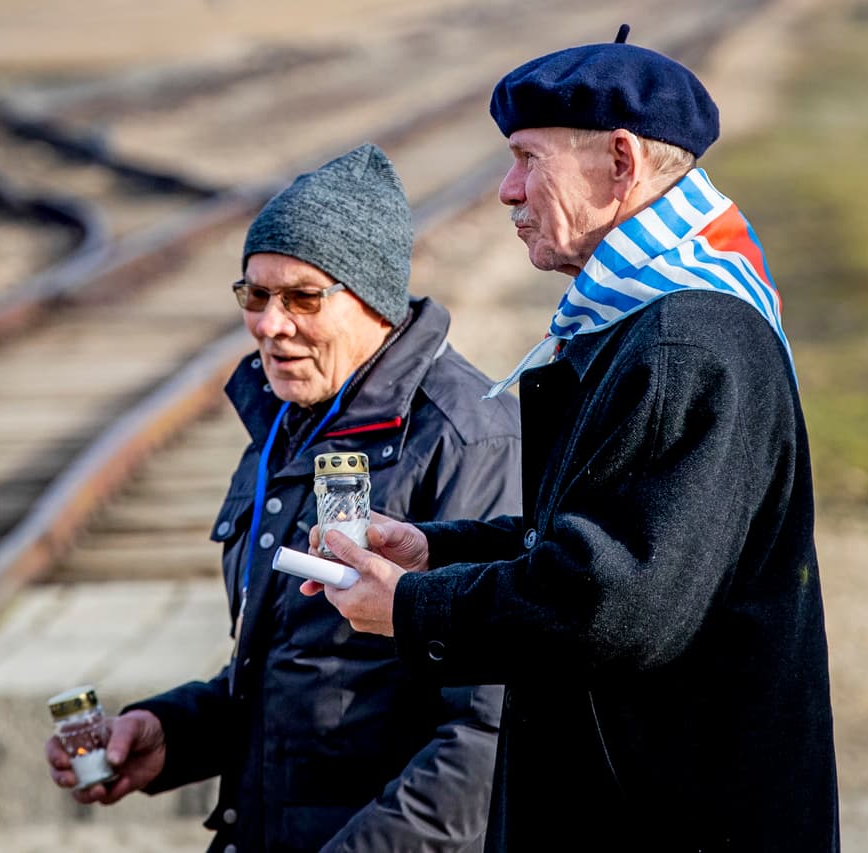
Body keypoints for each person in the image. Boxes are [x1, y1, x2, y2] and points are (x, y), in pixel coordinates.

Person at [306, 28, 840, 851]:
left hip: (667, 820)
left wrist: (412, 609)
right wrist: (430, 552)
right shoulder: (649, 316)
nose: (506, 191)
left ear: (621, 163)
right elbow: (593, 538)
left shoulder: (682, 342)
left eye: (527, 159)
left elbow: (614, 602)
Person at [46, 142, 522, 852]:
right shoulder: (290, 424)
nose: (270, 325)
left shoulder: (470, 440)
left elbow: (486, 736)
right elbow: (296, 667)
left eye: (302, 297)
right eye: (254, 295)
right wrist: (169, 734)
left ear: (374, 298)